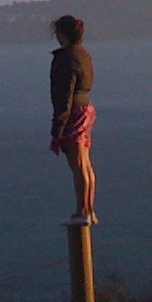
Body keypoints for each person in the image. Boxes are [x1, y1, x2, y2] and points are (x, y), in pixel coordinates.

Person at [49, 14, 98, 226]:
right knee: (85, 163)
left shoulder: (66, 58)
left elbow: (63, 94)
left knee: (78, 165)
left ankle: (82, 210)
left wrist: (58, 127)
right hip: (86, 110)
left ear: (62, 34)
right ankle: (88, 209)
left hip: (73, 113)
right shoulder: (85, 55)